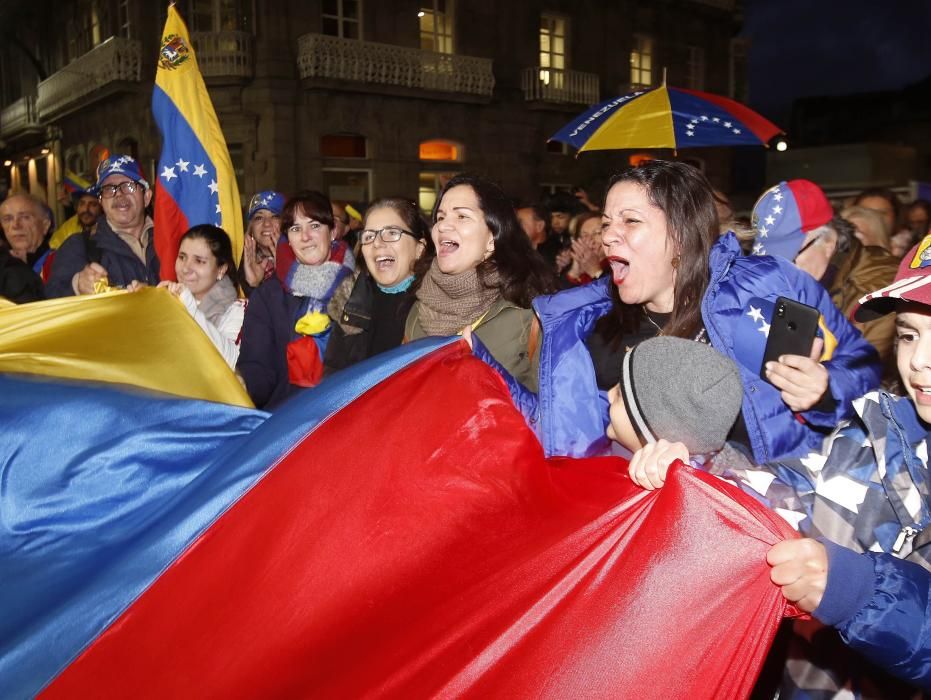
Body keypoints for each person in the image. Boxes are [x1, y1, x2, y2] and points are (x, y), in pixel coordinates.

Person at [528, 160, 880, 462]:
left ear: (682, 234)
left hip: (789, 515)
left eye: (630, 221)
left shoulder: (771, 284)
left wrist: (825, 389)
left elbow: (863, 365)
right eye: (606, 223)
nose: (608, 237)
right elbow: (568, 439)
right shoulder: (586, 325)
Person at [405, 173, 557, 392]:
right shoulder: (418, 310)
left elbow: (549, 411)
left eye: (461, 216)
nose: (444, 226)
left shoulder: (529, 312)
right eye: (440, 217)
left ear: (491, 238)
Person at [750, 179, 899, 365]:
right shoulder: (803, 281)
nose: (777, 271)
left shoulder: (880, 290)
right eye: (768, 262)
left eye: (788, 259)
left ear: (828, 243)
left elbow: (860, 370)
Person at [236, 190, 355, 409]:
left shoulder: (357, 287)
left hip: (345, 417)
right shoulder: (269, 295)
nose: (305, 236)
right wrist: (241, 385)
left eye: (315, 226)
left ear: (333, 231)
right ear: (288, 239)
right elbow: (259, 367)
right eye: (295, 228)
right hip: (287, 420)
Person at [324, 197, 429, 373]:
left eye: (392, 233)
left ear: (419, 248)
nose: (377, 243)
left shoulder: (439, 309)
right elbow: (333, 380)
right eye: (369, 236)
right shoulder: (351, 304)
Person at [46, 155, 159, 296]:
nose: (118, 194)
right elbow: (51, 298)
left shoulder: (174, 242)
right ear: (101, 202)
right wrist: (77, 285)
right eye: (108, 189)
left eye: (128, 186)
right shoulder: (80, 246)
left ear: (146, 197)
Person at [156, 225, 245, 368]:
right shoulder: (167, 301)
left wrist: (191, 310)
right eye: (182, 257)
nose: (185, 268)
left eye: (199, 261)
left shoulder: (239, 311)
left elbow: (232, 361)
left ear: (221, 269)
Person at [0, 192, 51, 303]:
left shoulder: (60, 261)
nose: (15, 225)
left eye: (25, 217)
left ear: (45, 225)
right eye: (8, 219)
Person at [241, 190, 285, 294]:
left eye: (275, 216)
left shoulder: (303, 262)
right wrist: (253, 285)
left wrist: (285, 272)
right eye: (259, 218)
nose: (267, 224)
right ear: (251, 227)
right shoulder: (239, 266)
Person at [560, 210, 606, 286]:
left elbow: (611, 296)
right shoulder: (579, 271)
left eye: (598, 233)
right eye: (585, 235)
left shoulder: (619, 267)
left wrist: (596, 272)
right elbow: (558, 296)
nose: (591, 239)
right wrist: (574, 273)